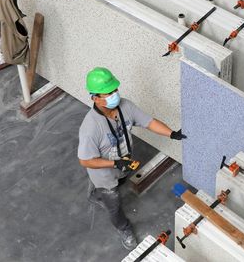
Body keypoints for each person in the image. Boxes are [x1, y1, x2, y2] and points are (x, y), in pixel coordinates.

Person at [78, 67, 187, 249]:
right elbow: (85, 161)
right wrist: (115, 163)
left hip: (124, 166)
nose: (115, 95)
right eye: (108, 93)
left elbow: (149, 122)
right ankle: (124, 228)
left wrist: (172, 134)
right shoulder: (90, 128)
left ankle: (96, 193)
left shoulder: (125, 106)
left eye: (115, 90)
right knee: (113, 204)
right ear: (95, 98)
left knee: (120, 183)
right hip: (105, 175)